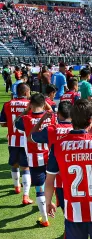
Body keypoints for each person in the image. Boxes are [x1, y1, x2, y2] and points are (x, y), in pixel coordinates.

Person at [44, 99, 92, 239]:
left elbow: (49, 180)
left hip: (73, 211)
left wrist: (48, 202)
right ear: (91, 119)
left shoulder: (58, 145)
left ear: (72, 118)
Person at [14, 93, 56, 227]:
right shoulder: (52, 117)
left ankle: (45, 219)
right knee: (51, 183)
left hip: (34, 158)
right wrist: (47, 107)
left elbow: (16, 122)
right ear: (44, 104)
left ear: (30, 104)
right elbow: (51, 111)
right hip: (50, 156)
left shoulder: (26, 118)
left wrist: (27, 109)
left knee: (39, 189)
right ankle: (51, 203)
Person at [30, 101, 73, 213]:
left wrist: (42, 119)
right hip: (80, 175)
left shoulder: (51, 129)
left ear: (58, 114)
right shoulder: (79, 129)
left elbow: (32, 137)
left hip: (59, 177)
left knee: (67, 211)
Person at [0, 83, 33, 204]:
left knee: (14, 164)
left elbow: (3, 123)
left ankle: (17, 187)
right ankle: (25, 196)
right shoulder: (29, 105)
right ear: (25, 93)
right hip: (25, 141)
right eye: (29, 92)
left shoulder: (7, 104)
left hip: (12, 139)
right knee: (26, 167)